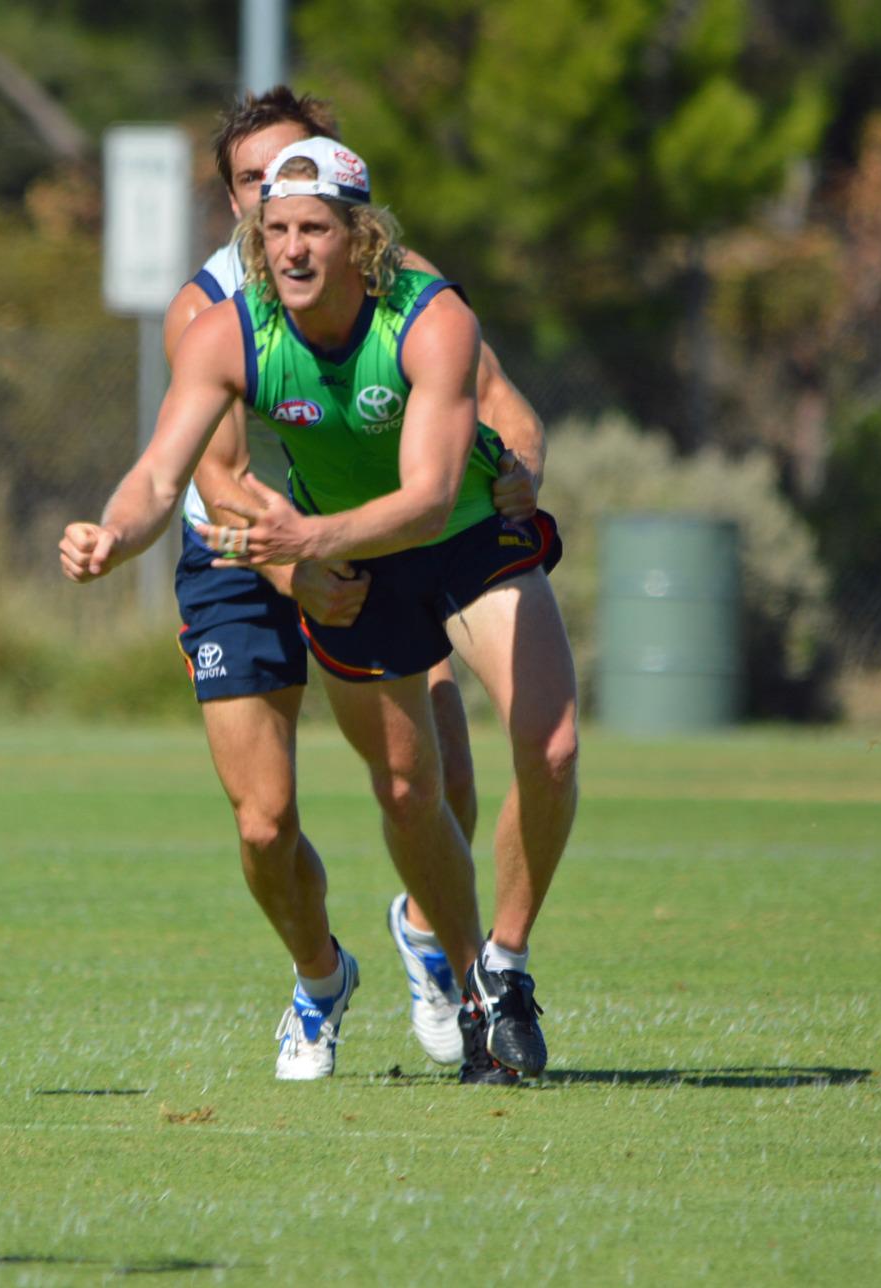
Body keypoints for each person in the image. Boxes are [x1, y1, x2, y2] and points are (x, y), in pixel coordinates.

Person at [64, 137, 577, 1086]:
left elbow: (427, 498)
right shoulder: (231, 333)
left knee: (548, 748)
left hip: (462, 537)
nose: (293, 248)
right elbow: (161, 474)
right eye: (277, 230)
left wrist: (307, 545)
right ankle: (470, 996)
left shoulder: (430, 320)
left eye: (314, 229)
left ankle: (505, 962)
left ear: (361, 238)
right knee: (403, 791)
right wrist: (111, 534)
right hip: (352, 570)